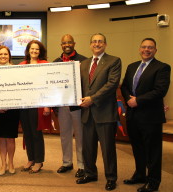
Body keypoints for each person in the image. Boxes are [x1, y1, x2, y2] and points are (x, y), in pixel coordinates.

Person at [121, 38, 171, 192]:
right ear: (139, 49)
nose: (146, 50)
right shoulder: (132, 66)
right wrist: (129, 99)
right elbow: (124, 87)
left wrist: (138, 101)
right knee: (137, 148)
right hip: (133, 116)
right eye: (144, 47)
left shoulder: (162, 67)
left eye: (150, 47)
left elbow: (160, 90)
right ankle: (140, 175)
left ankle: (153, 182)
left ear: (155, 50)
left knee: (153, 151)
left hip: (150, 116)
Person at [76, 33, 121, 191]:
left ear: (105, 44)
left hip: (105, 112)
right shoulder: (83, 64)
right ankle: (90, 173)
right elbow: (78, 86)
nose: (97, 44)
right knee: (88, 147)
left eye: (100, 41)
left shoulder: (114, 61)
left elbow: (112, 84)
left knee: (107, 148)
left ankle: (111, 178)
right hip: (87, 113)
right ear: (90, 45)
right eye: (94, 41)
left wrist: (92, 99)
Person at [53, 34, 86, 177]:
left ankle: (82, 165)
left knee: (80, 136)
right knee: (65, 135)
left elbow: (86, 83)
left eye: (69, 42)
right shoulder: (56, 62)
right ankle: (67, 162)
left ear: (74, 43)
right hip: (62, 104)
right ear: (61, 45)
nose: (67, 45)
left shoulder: (84, 61)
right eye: (64, 43)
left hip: (77, 105)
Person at [19, 40, 51, 174]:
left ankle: (39, 161)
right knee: (27, 133)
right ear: (28, 50)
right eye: (32, 49)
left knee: (36, 132)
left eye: (37, 49)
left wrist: (47, 105)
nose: (34, 51)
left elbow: (49, 86)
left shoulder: (45, 65)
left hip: (38, 104)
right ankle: (30, 159)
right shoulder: (21, 65)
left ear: (40, 51)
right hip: (24, 104)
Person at [0, 46, 20, 175]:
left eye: (5, 54)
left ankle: (11, 162)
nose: (3, 56)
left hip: (12, 109)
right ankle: (3, 164)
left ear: (9, 56)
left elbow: (18, 89)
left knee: (10, 138)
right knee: (1, 137)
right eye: (1, 54)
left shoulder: (15, 70)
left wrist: (8, 105)